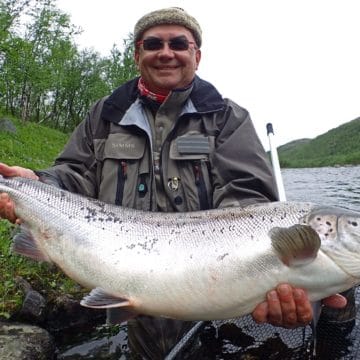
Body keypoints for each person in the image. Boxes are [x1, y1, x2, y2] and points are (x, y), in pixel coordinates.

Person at [0, 7, 347, 359]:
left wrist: (254, 275)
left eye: (179, 43)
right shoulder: (105, 115)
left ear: (197, 55)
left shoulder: (227, 119)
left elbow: (249, 201)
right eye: (153, 43)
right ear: (137, 54)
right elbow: (72, 175)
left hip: (215, 298)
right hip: (130, 292)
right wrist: (36, 184)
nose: (166, 52)